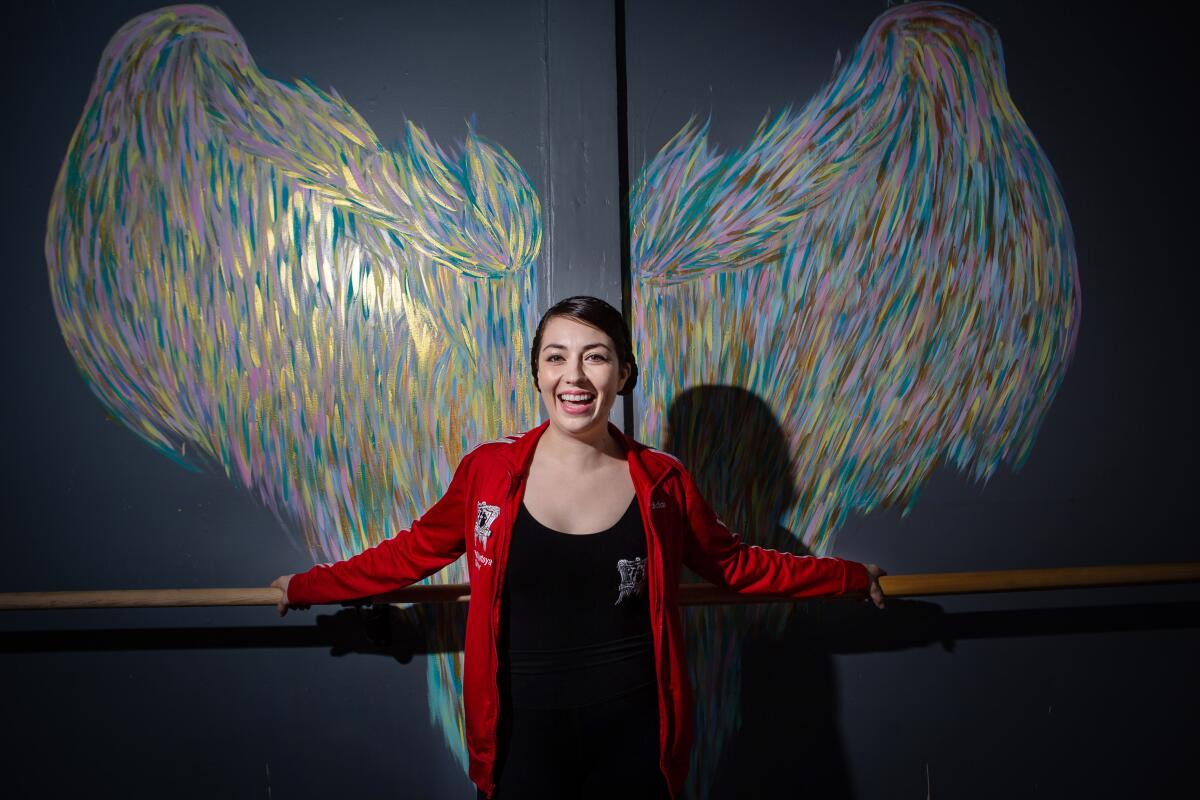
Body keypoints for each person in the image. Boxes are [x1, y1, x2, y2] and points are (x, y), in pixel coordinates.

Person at [272, 296, 886, 799]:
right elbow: (410, 553)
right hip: (521, 735)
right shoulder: (488, 472)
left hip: (636, 732)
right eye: (556, 357)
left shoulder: (663, 481)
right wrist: (306, 588)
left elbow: (734, 564)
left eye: (595, 358)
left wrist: (849, 578)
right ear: (537, 371)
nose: (574, 376)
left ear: (623, 374)